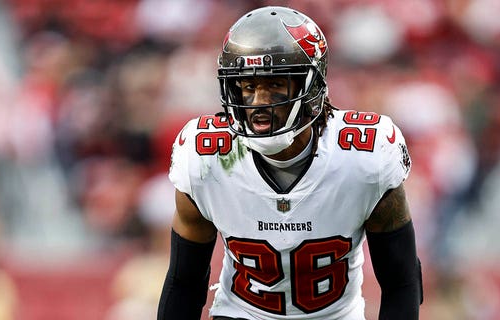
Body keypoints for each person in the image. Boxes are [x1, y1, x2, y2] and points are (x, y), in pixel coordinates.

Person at [158, 6, 423, 320]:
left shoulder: (365, 157)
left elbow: (401, 281)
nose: (258, 103)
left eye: (275, 85)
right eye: (248, 86)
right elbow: (184, 282)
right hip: (243, 314)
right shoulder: (207, 158)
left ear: (311, 88)